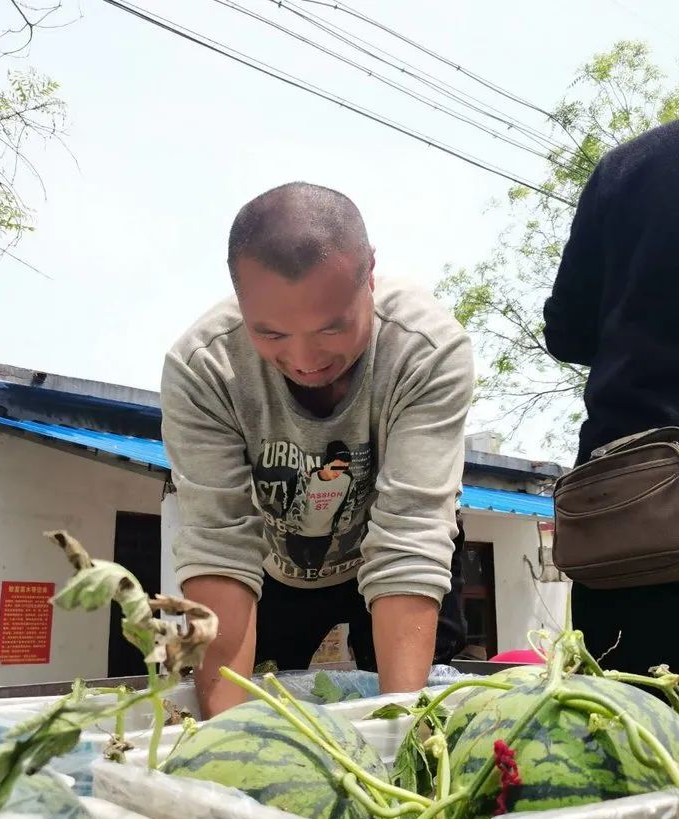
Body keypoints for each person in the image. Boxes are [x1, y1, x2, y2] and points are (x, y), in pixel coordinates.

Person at [161, 181, 474, 717]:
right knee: (257, 705)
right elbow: (220, 546)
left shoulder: (426, 350)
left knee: (419, 708)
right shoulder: (204, 367)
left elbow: (411, 533)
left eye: (332, 328)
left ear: (369, 273)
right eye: (272, 335)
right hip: (275, 563)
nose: (305, 359)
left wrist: (401, 739)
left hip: (394, 550)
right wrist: (223, 742)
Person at [543, 120, 679, 674]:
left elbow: (567, 331)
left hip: (636, 520)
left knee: (627, 739)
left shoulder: (630, 166)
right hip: (641, 525)